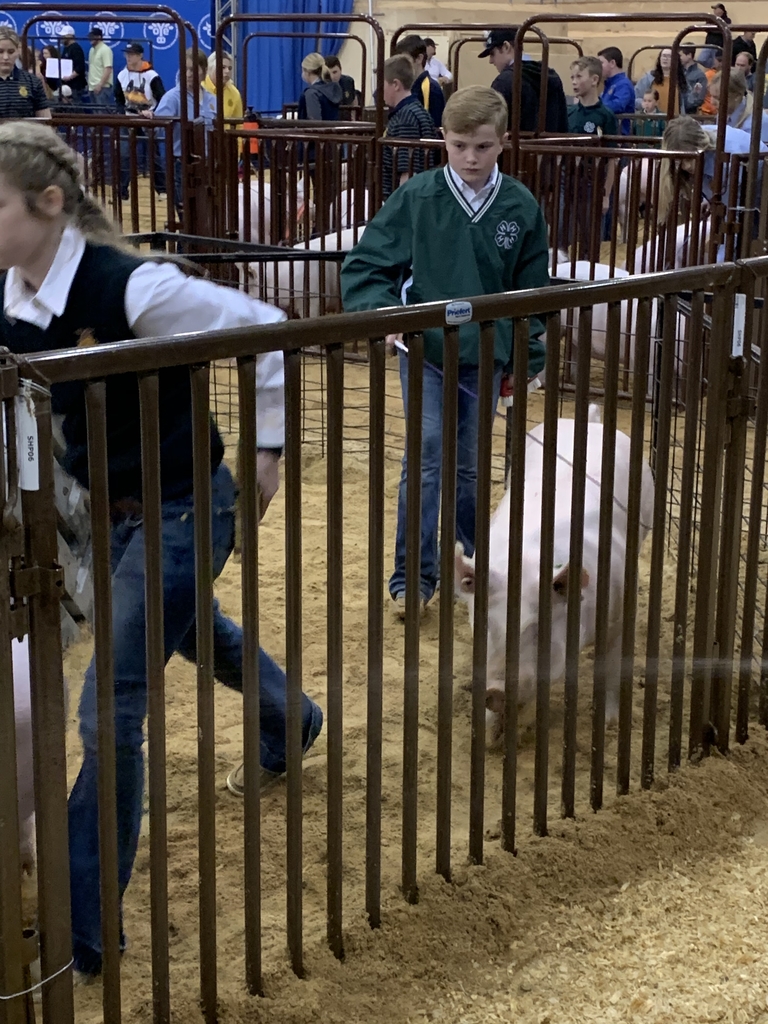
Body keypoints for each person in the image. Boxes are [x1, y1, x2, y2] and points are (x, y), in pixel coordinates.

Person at [0, 119, 323, 978]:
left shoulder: (136, 287)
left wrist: (265, 448)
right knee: (186, 630)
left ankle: (84, 924)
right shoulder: (12, 296)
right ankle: (292, 717)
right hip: (105, 510)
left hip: (186, 505)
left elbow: (263, 323)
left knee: (112, 708)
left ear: (49, 203)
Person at [341, 86, 549, 616]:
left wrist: (526, 359)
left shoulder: (520, 205)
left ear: (503, 142)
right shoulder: (419, 197)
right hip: (427, 349)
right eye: (459, 146)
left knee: (471, 465)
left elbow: (534, 293)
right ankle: (413, 577)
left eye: (482, 146)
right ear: (444, 142)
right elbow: (367, 264)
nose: (470, 158)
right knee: (428, 456)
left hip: (489, 352)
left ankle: (483, 564)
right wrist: (385, 314)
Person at [148, 49, 216, 210]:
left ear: (204, 71)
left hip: (207, 162)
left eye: (194, 69)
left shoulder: (212, 99)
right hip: (182, 162)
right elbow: (157, 127)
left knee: (207, 209)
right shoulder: (172, 97)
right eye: (185, 69)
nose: (189, 74)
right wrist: (149, 120)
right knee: (186, 212)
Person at [565, 56, 617, 256]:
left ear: (595, 79)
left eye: (579, 76)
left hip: (591, 183)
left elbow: (612, 158)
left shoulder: (605, 116)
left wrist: (605, 194)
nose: (574, 81)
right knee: (562, 235)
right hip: (568, 181)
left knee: (589, 238)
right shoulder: (569, 113)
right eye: (572, 77)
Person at [480, 27, 568, 134]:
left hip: (515, 149)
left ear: (506, 47)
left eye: (492, 54)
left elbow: (494, 128)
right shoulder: (551, 76)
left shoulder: (504, 81)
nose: (491, 61)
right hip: (550, 148)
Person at [379, 54, 441, 199]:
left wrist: (402, 208)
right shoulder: (418, 110)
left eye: (382, 84)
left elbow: (407, 171)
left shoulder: (404, 118)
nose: (379, 90)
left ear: (395, 84)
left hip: (401, 199)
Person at [115, 42, 166, 200]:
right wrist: (121, 113)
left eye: (132, 54)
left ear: (140, 55)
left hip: (148, 119)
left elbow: (162, 97)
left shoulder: (152, 76)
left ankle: (162, 189)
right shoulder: (121, 75)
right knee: (124, 155)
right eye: (127, 54)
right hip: (128, 118)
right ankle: (122, 190)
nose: (128, 57)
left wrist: (152, 112)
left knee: (153, 155)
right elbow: (118, 98)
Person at [0, 26, 51, 119]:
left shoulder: (33, 82)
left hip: (25, 133)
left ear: (17, 52)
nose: (6, 57)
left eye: (11, 52)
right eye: (0, 51)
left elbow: (45, 121)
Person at [395, 34, 445, 127]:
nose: (401, 65)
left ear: (419, 58)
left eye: (405, 60)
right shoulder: (406, 86)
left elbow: (435, 128)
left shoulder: (432, 89)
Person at [709, 68, 768, 142]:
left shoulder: (758, 122)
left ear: (737, 96)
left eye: (718, 98)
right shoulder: (725, 112)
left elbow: (762, 151)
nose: (712, 102)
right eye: (711, 96)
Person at [634, 48, 689, 115]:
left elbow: (688, 103)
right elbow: (635, 97)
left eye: (669, 56)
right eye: (663, 56)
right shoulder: (649, 78)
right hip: (654, 121)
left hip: (675, 121)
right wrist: (644, 104)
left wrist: (696, 93)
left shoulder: (680, 79)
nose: (665, 58)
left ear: (675, 60)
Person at [597, 46, 635, 135]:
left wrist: (597, 108)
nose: (598, 67)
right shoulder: (609, 84)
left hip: (619, 136)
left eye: (601, 63)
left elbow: (618, 105)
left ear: (612, 63)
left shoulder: (623, 84)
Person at [297, 51, 342, 120]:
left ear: (307, 72)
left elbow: (314, 121)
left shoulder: (311, 93)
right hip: (333, 129)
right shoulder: (333, 88)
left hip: (317, 130)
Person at [202, 51, 243, 127]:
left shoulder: (234, 93)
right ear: (210, 68)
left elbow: (239, 125)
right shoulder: (200, 87)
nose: (227, 71)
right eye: (223, 67)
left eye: (230, 68)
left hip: (225, 137)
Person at [58, 24, 87, 101]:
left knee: (75, 108)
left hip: (75, 86)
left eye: (64, 36)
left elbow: (80, 67)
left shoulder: (76, 48)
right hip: (67, 85)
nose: (61, 38)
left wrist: (70, 77)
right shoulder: (66, 48)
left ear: (70, 36)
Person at [87, 27, 113, 107]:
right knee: (95, 115)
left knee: (102, 114)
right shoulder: (91, 50)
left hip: (102, 87)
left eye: (93, 36)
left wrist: (100, 84)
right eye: (90, 36)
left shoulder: (105, 49)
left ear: (99, 37)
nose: (90, 38)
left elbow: (108, 69)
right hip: (92, 87)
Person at [700, 3, 731, 68]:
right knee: (701, 59)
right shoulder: (711, 19)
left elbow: (721, 31)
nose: (714, 11)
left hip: (718, 45)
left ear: (721, 10)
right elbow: (706, 28)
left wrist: (712, 29)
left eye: (716, 9)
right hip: (708, 44)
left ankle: (714, 69)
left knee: (716, 62)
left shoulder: (727, 20)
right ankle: (712, 67)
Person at [678, 46, 708, 112]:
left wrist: (685, 104)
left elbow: (699, 99)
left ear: (689, 55)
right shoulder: (677, 72)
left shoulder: (700, 75)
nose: (678, 58)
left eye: (680, 55)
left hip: (690, 113)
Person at [700, 50, 722, 115]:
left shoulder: (729, 76)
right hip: (706, 112)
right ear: (715, 60)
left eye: (722, 61)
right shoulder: (707, 75)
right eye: (719, 61)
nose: (721, 64)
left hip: (720, 113)